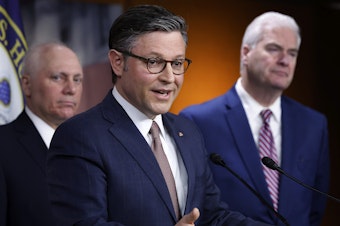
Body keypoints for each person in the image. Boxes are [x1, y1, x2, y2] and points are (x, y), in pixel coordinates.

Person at [46, 5, 274, 226]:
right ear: (118, 62)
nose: (169, 77)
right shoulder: (80, 137)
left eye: (176, 63)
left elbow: (211, 216)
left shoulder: (189, 132)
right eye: (154, 62)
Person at [180, 11, 330, 226]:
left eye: (292, 53)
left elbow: (316, 207)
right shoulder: (197, 121)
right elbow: (197, 206)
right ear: (246, 53)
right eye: (274, 49)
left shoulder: (314, 124)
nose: (284, 60)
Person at [0, 42, 84, 226]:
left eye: (77, 79)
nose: (71, 89)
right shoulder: (3, 146)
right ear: (27, 85)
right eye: (57, 77)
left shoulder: (90, 145)